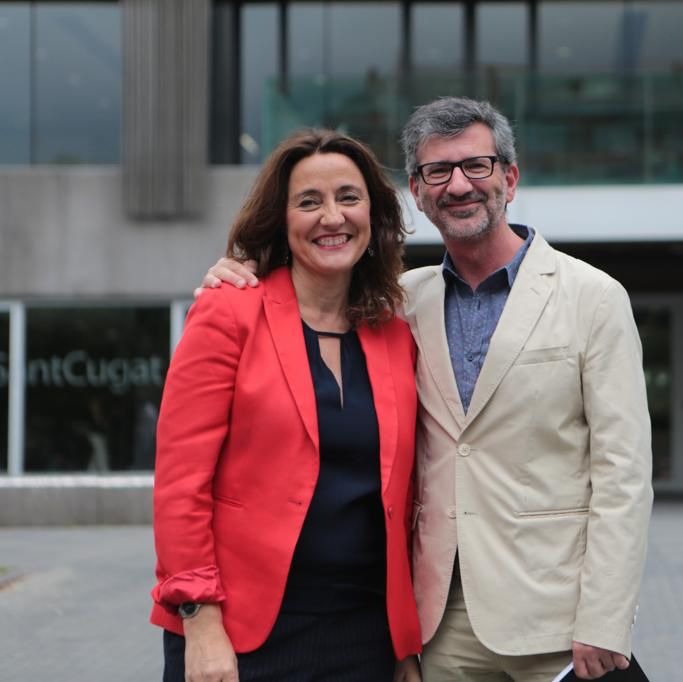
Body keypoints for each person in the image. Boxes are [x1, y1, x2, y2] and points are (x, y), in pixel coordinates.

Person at [201, 97, 653, 681]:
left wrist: (605, 616)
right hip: (439, 622)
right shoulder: (397, 304)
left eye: (477, 166)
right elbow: (306, 300)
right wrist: (232, 275)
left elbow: (624, 473)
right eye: (437, 171)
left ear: (510, 179)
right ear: (417, 192)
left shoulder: (593, 297)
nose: (458, 185)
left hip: (556, 617)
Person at [153, 129, 422, 682]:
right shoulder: (229, 313)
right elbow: (181, 484)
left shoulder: (395, 332)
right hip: (242, 634)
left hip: (364, 634)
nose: (332, 217)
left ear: (373, 215)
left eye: (349, 197)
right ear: (282, 219)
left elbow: (403, 495)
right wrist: (199, 621)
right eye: (309, 202)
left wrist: (403, 646)